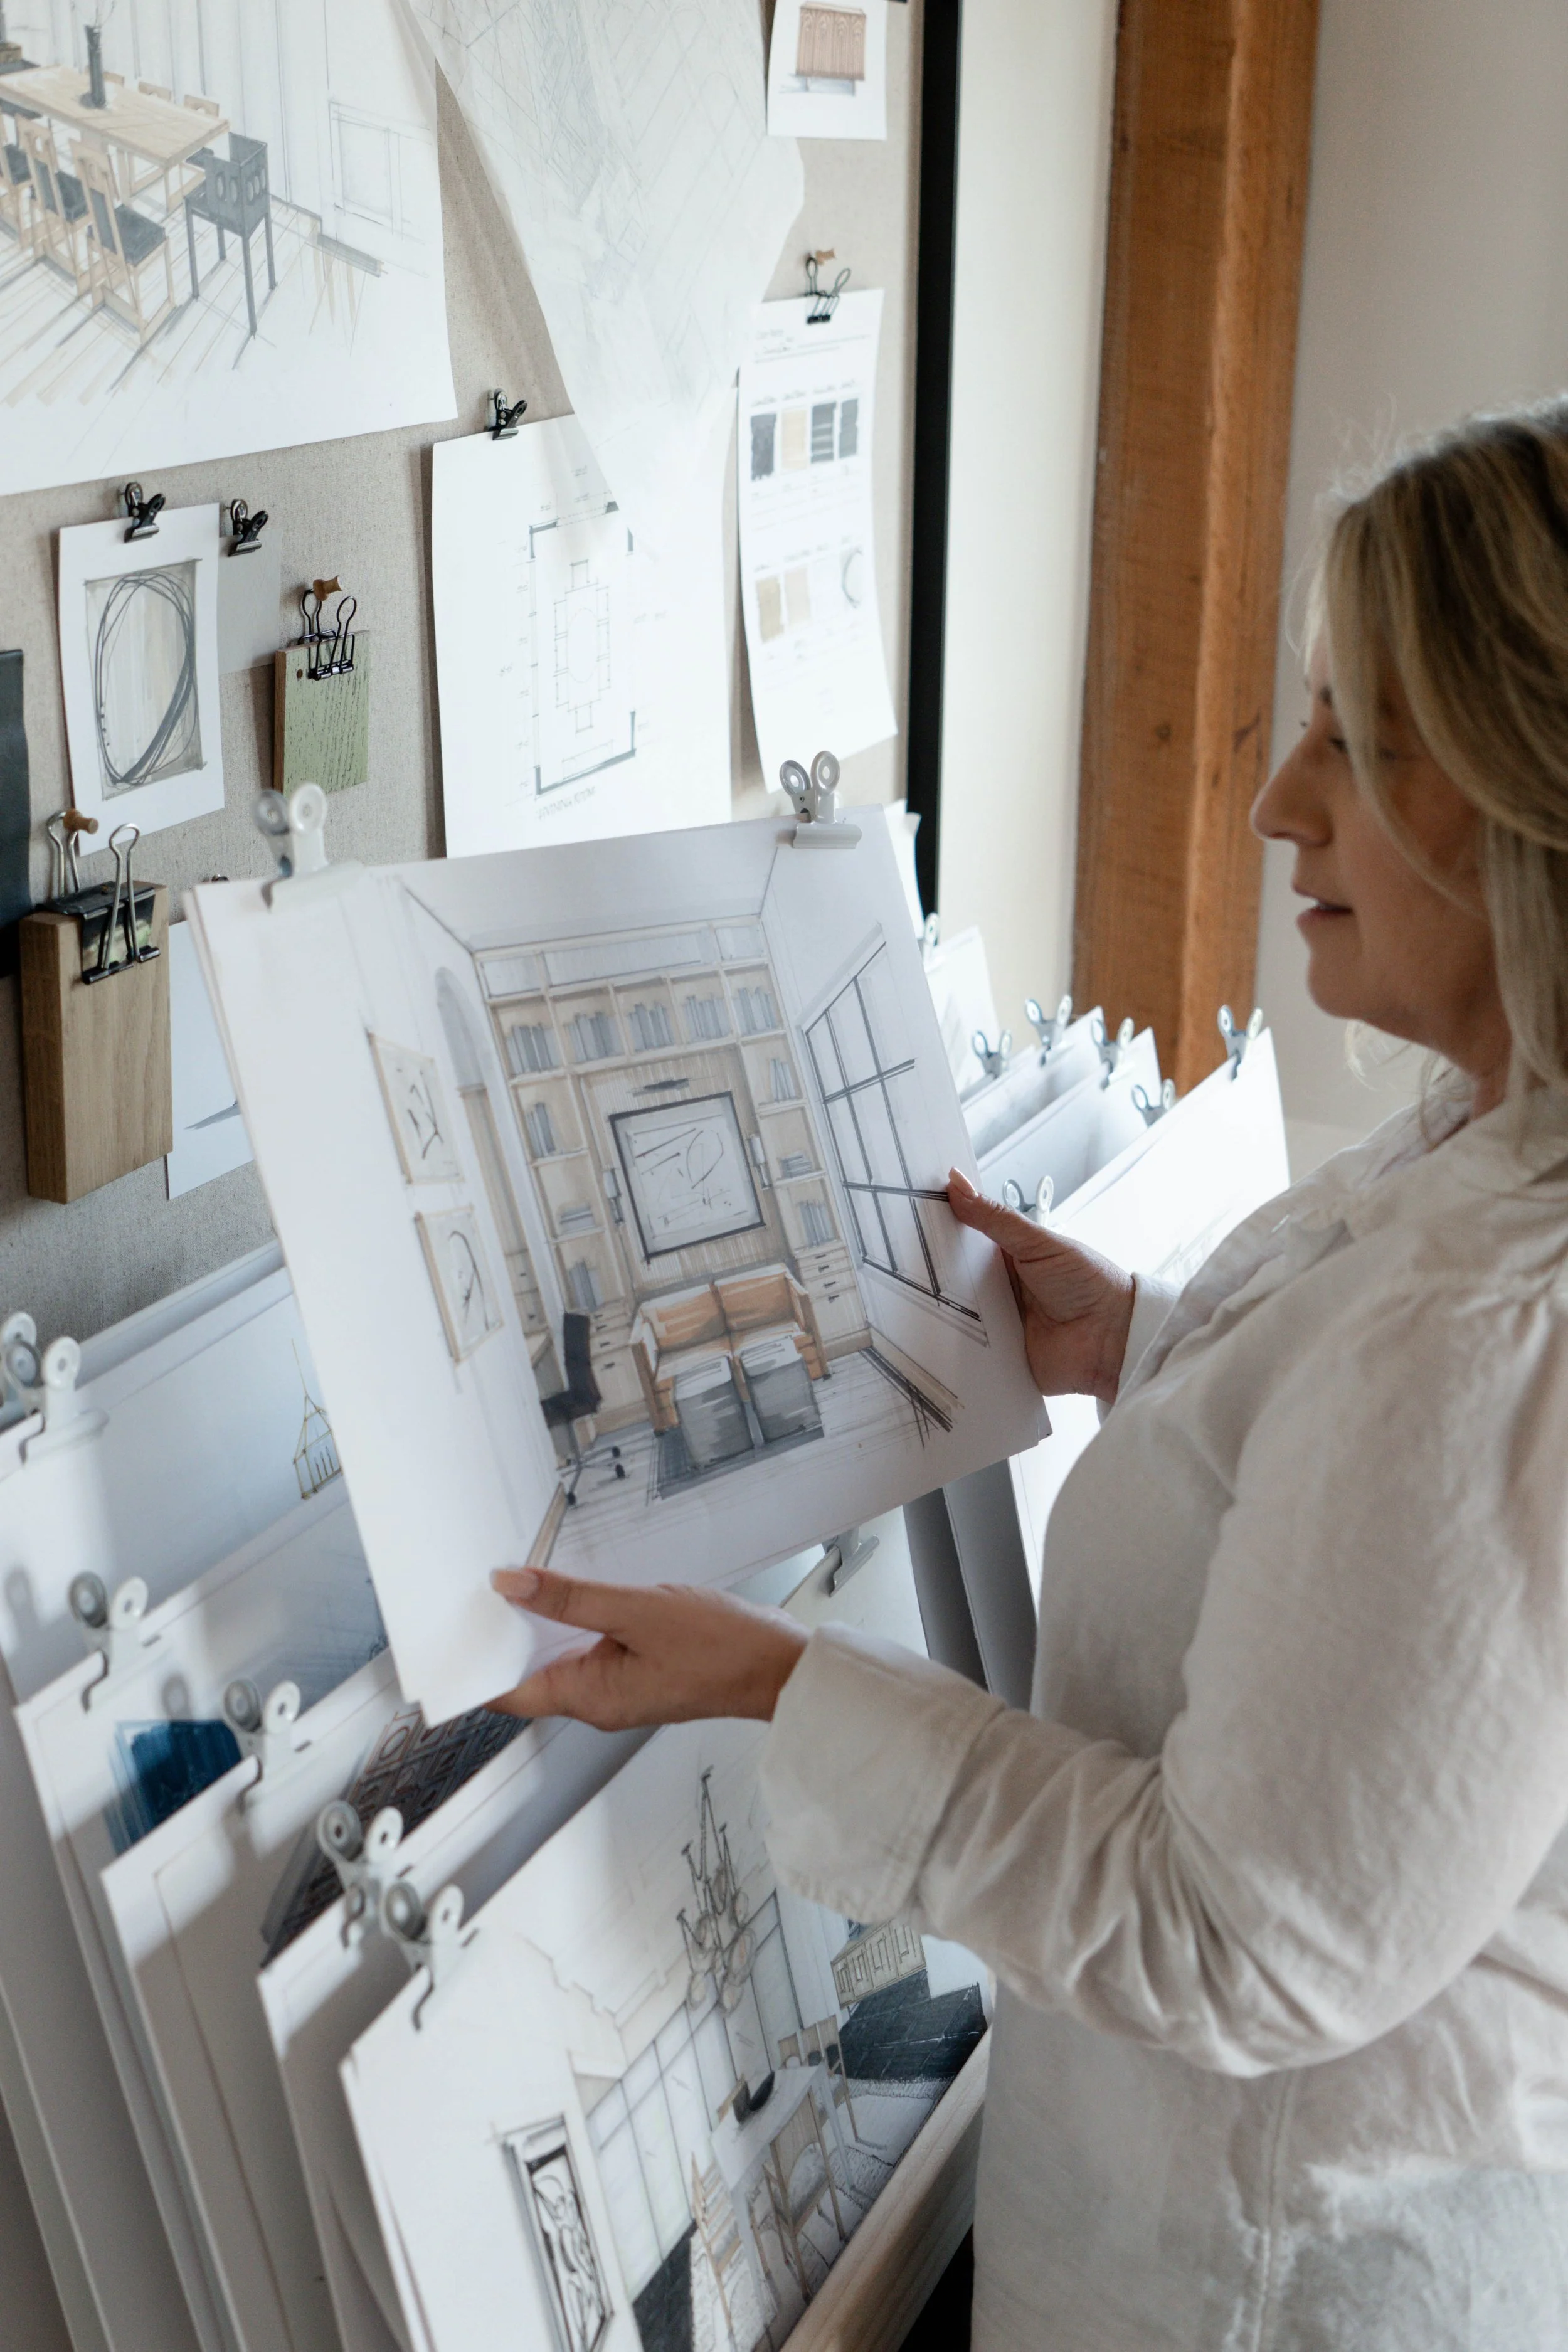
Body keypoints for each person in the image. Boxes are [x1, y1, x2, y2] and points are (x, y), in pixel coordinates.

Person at [490, 402, 1568, 2350]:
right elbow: (1379, 1562)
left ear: (1533, 792)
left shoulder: (1495, 1326)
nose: (1278, 802)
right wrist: (1142, 1342)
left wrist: (781, 1677)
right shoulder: (1491, 1143)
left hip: (1271, 2275)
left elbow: (1228, 1932)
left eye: (1359, 738)